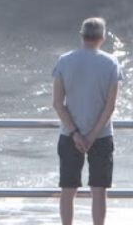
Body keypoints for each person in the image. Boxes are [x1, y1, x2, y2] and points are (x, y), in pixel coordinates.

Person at [53, 16, 124, 225]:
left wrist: (76, 133)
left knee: (68, 188)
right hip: (101, 136)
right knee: (99, 190)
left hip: (69, 134)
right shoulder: (110, 62)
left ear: (82, 36)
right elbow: (110, 106)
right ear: (102, 37)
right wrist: (91, 136)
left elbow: (58, 103)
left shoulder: (64, 60)